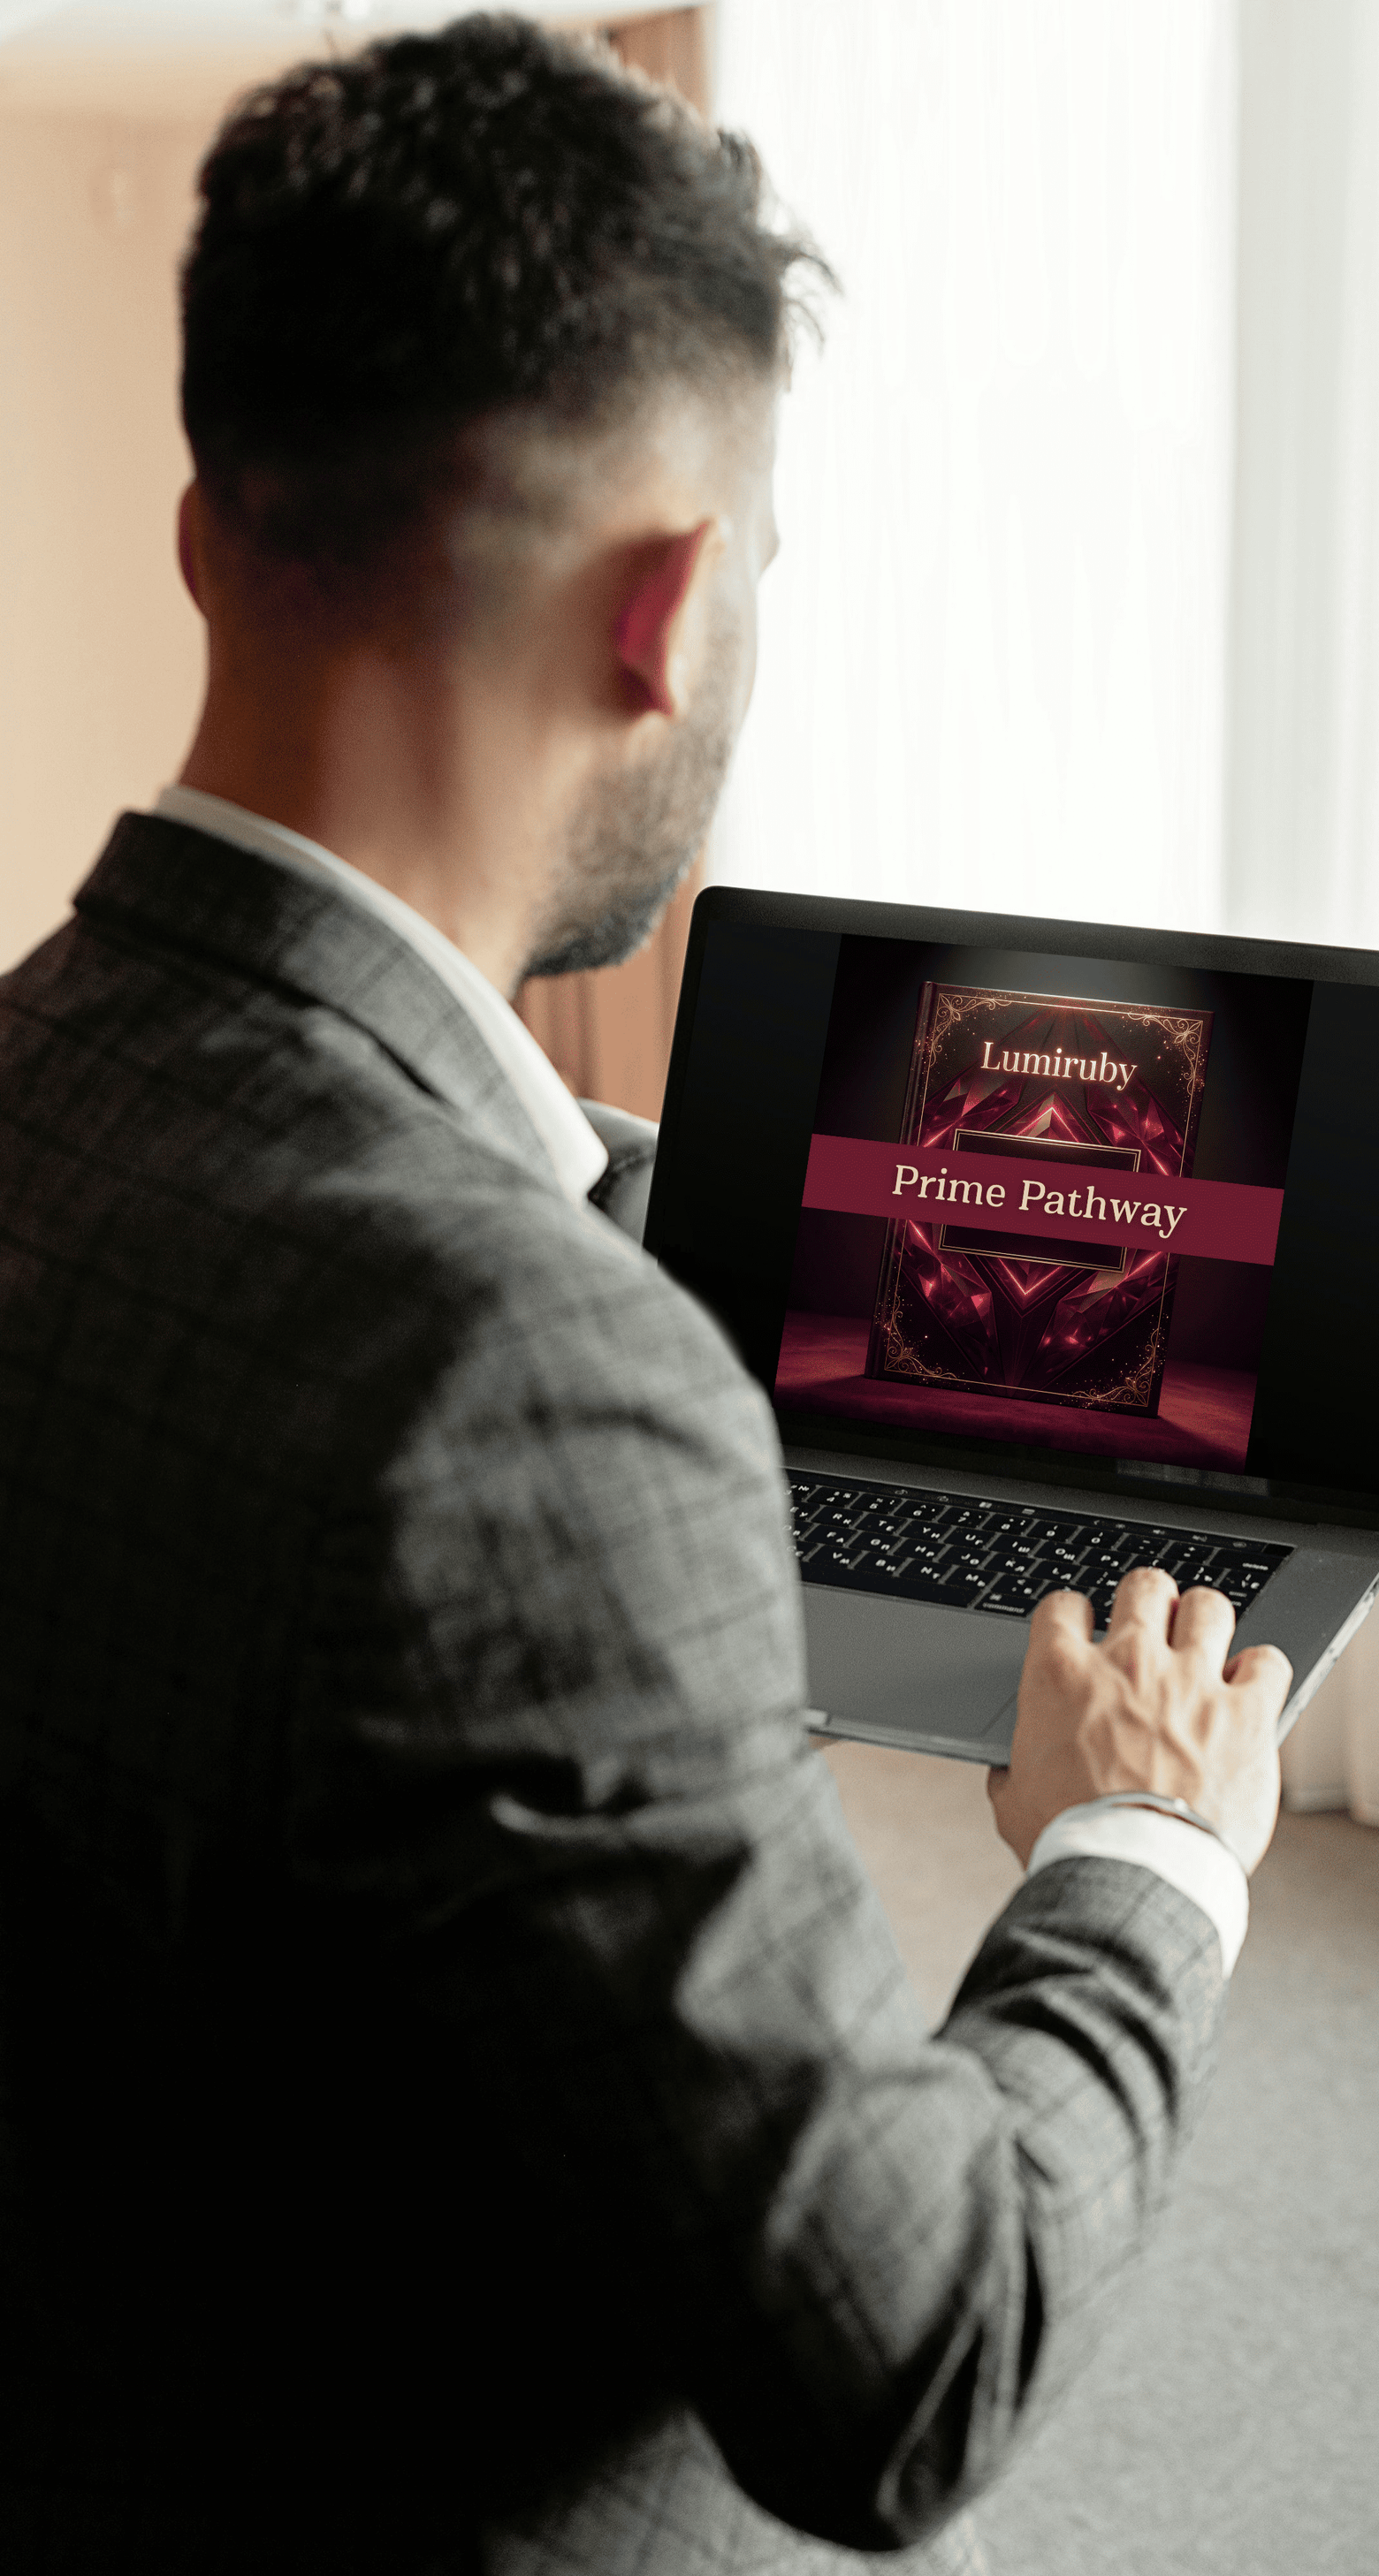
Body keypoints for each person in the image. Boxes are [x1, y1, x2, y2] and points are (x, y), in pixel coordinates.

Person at [0, 18, 1289, 2573]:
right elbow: (905, 2365)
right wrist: (1143, 1851)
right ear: (673, 608)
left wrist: (583, 1172)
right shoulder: (525, 1391)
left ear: (201, 528)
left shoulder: (52, 1075)